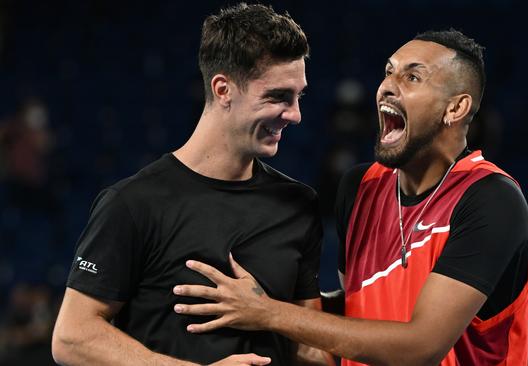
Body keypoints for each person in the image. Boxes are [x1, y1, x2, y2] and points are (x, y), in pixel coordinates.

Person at [173, 29, 528, 365]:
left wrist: (268, 312)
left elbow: (421, 346)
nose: (387, 87)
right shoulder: (359, 188)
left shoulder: (490, 198)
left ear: (454, 109)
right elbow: (356, 320)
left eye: (412, 77)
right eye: (388, 72)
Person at [52, 3, 332, 366]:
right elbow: (73, 337)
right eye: (278, 97)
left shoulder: (300, 204)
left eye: (298, 97)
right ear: (223, 89)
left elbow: (309, 347)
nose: (295, 115)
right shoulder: (133, 203)